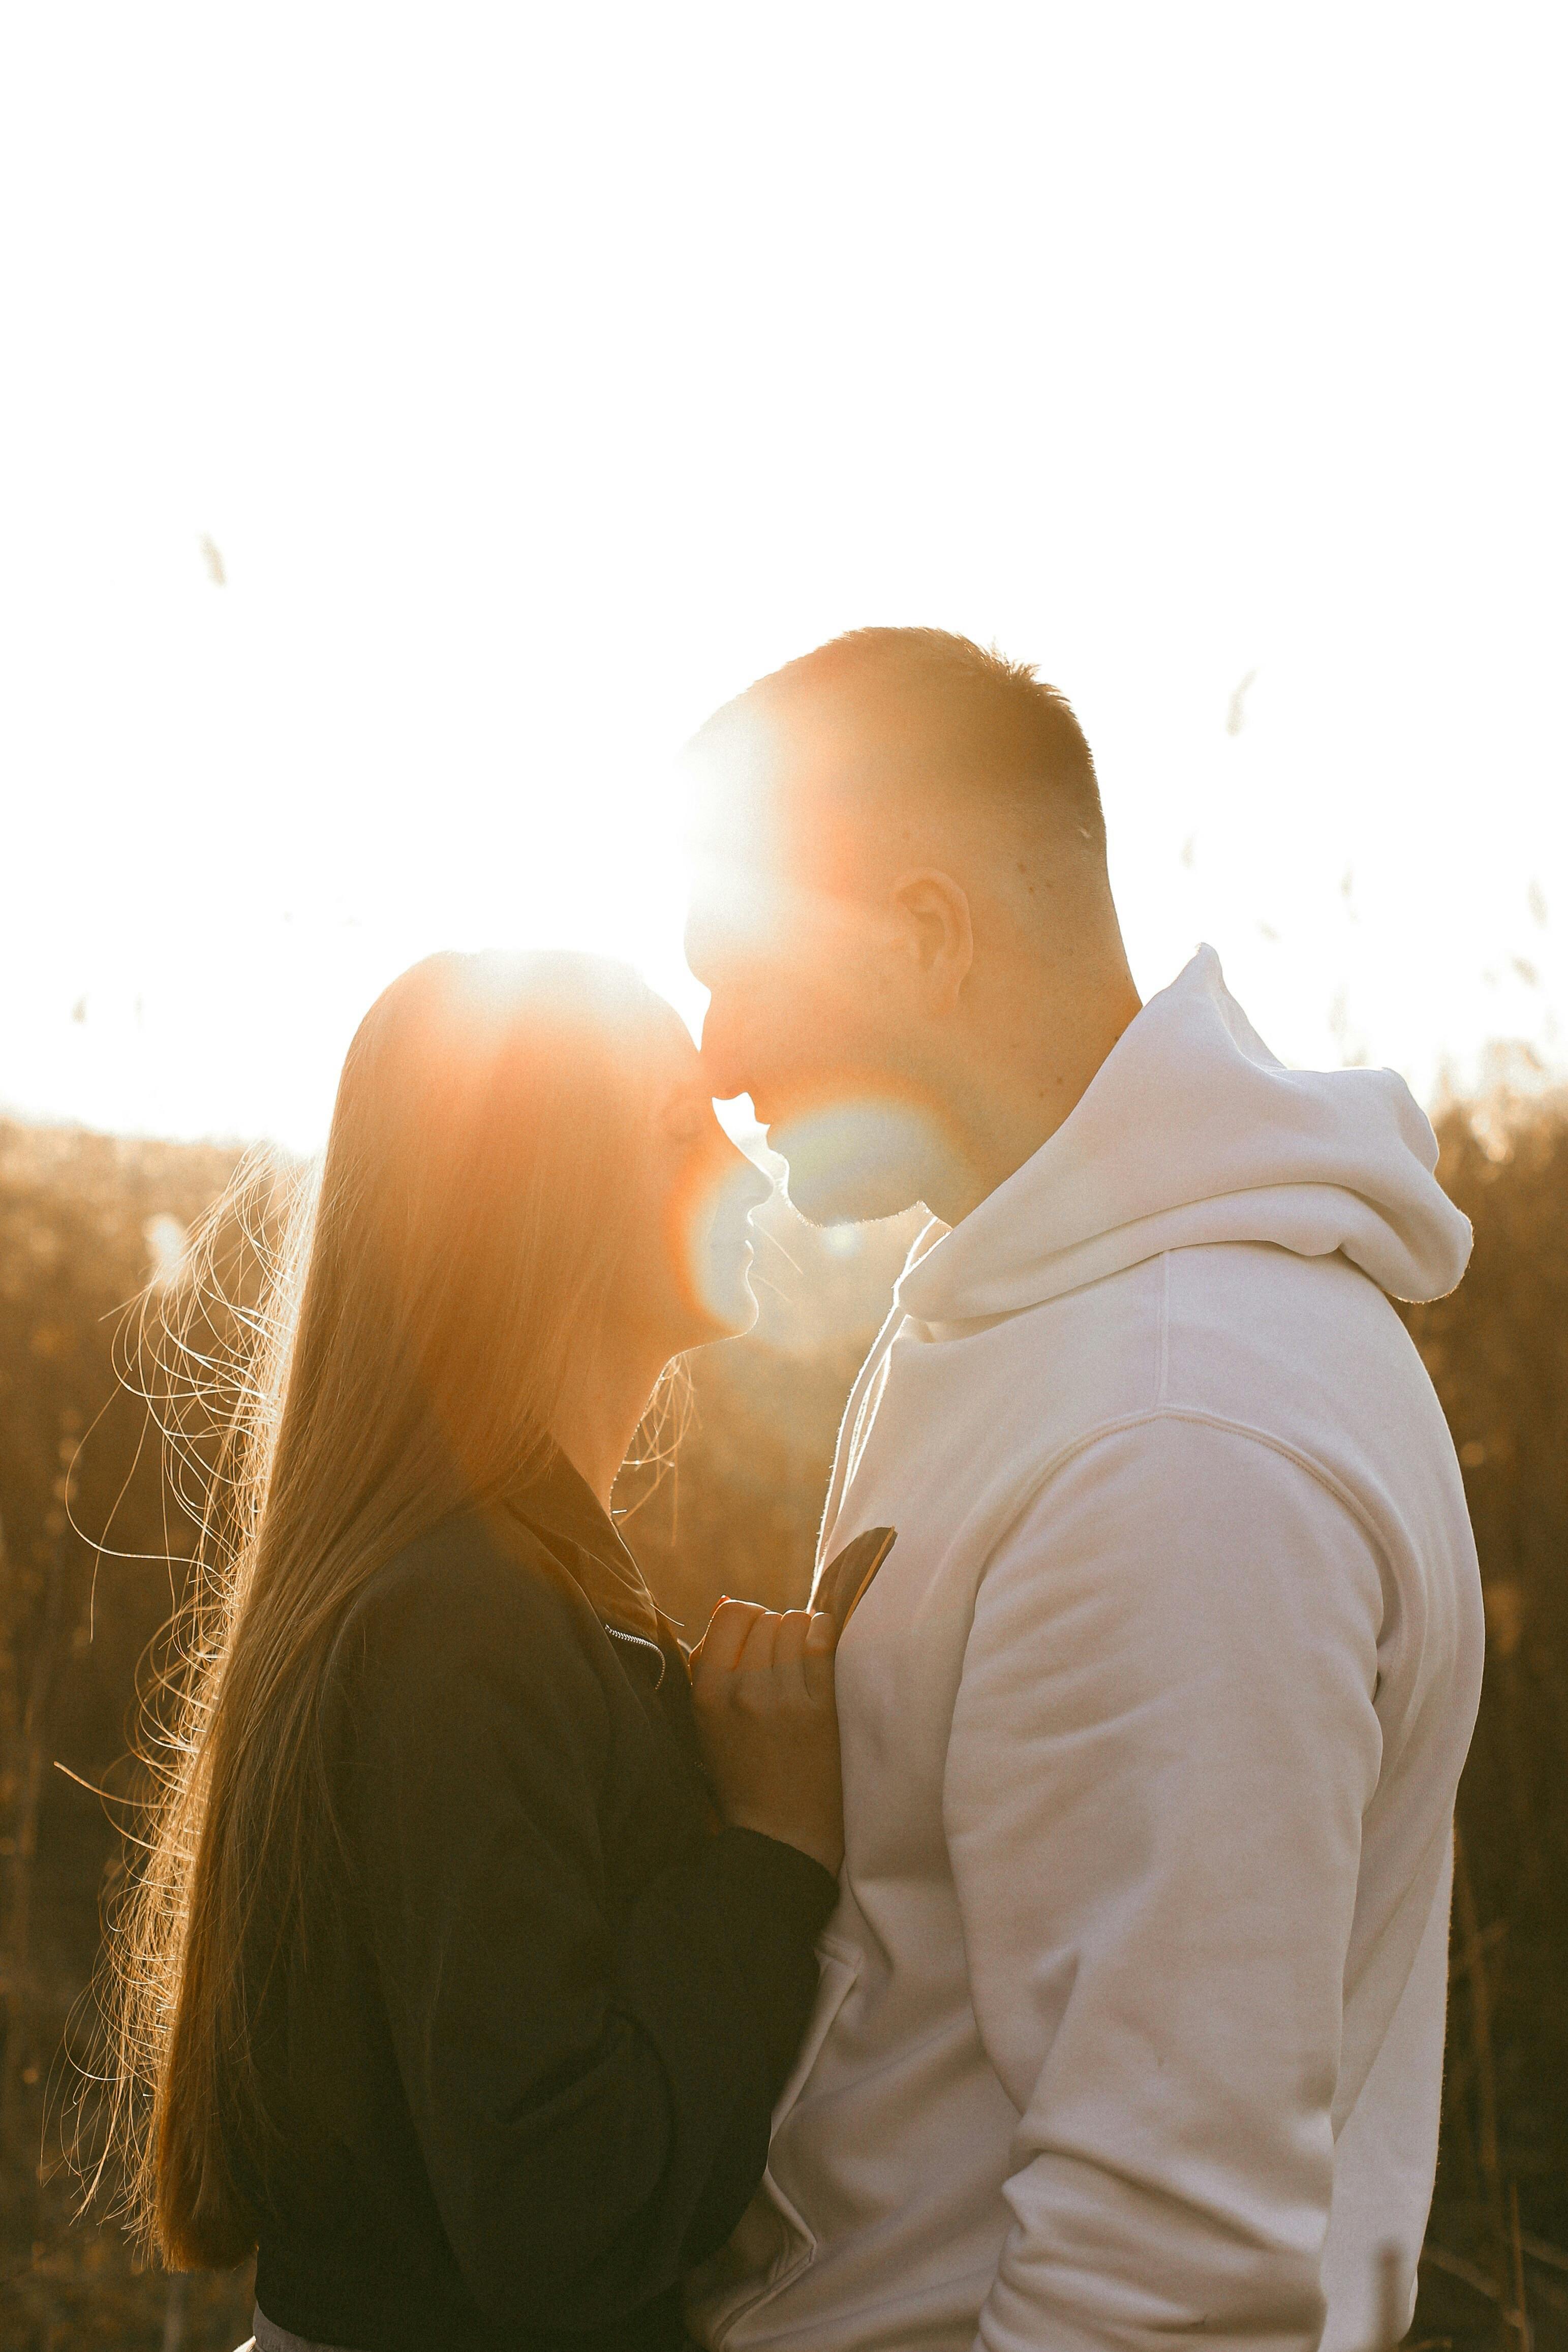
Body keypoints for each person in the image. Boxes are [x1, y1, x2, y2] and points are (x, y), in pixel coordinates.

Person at [682, 628, 1485, 2352]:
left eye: (739, 971)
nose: (718, 1054)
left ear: (923, 936)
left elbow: (1169, 2279)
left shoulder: (1179, 1438)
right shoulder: (1028, 1294)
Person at [106, 950, 847, 2352]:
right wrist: (772, 1856)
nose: (751, 1176)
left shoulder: (474, 1588)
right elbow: (565, 2214)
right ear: (536, 1197)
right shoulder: (463, 1623)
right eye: (684, 1129)